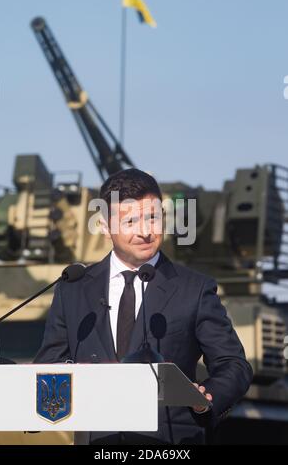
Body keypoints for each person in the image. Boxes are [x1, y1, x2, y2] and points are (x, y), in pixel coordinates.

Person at [35, 168, 253, 445]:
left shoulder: (195, 289)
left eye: (153, 218)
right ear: (104, 226)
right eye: (130, 221)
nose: (145, 232)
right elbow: (49, 366)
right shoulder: (73, 288)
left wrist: (205, 398)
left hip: (171, 444)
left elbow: (233, 365)